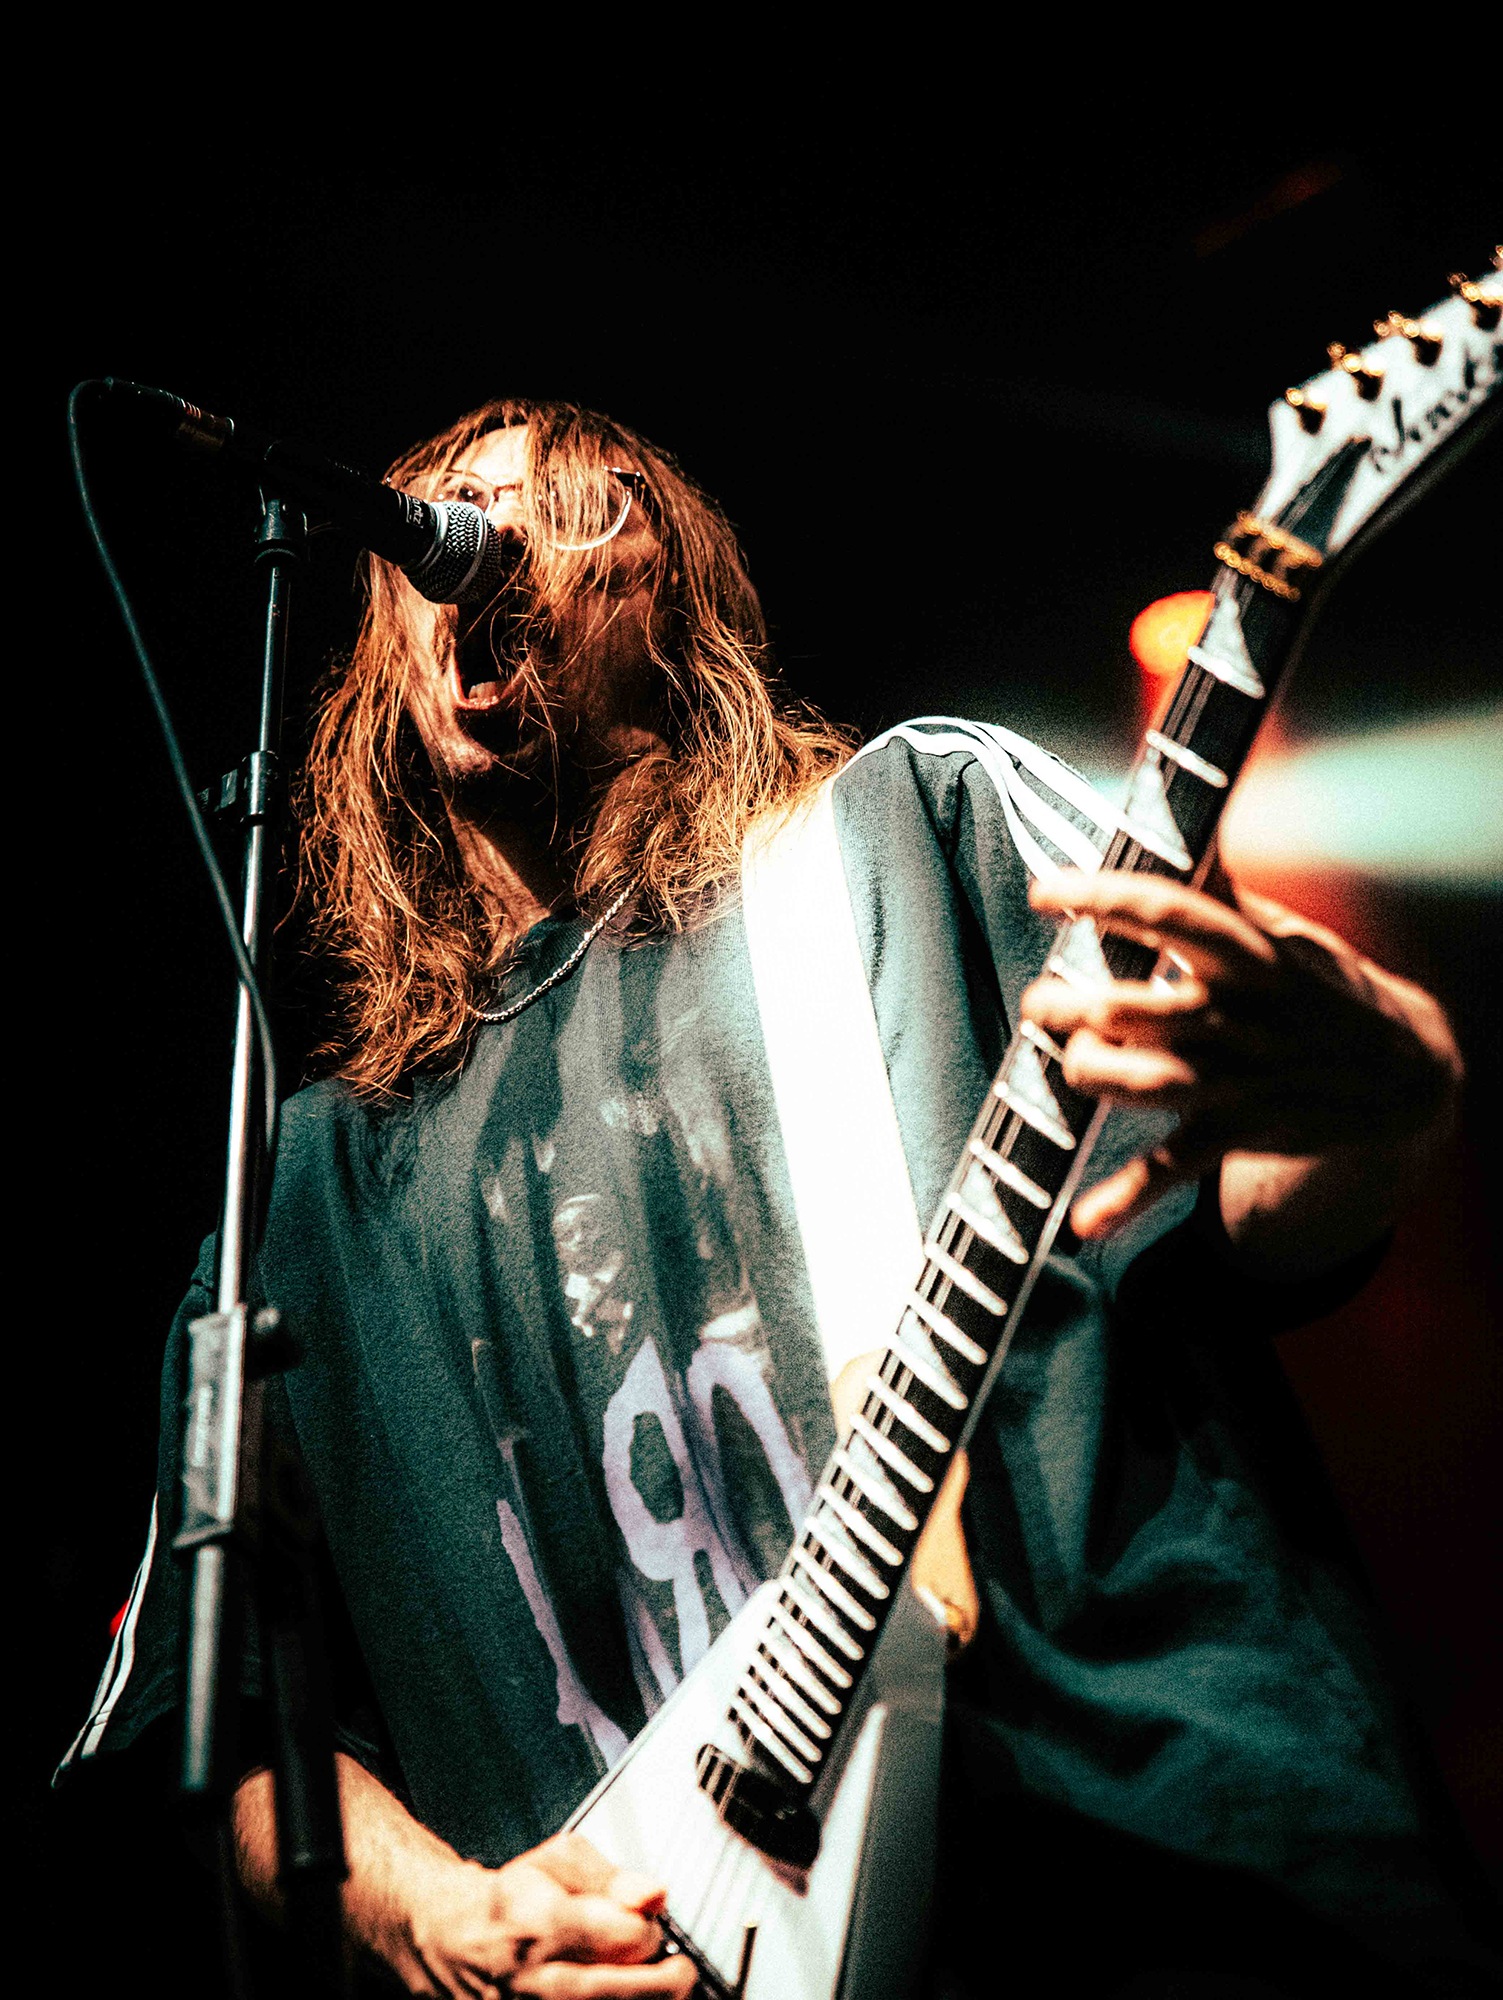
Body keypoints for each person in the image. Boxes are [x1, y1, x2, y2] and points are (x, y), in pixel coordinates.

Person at [62, 400, 1494, 1997]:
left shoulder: (914, 832)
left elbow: (1241, 1210)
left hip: (1148, 1882)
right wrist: (430, 1916)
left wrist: (1385, 1096)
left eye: (565, 507)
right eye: (451, 507)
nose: (488, 536)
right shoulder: (310, 1196)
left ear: (672, 603)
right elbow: (211, 1713)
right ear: (384, 652)